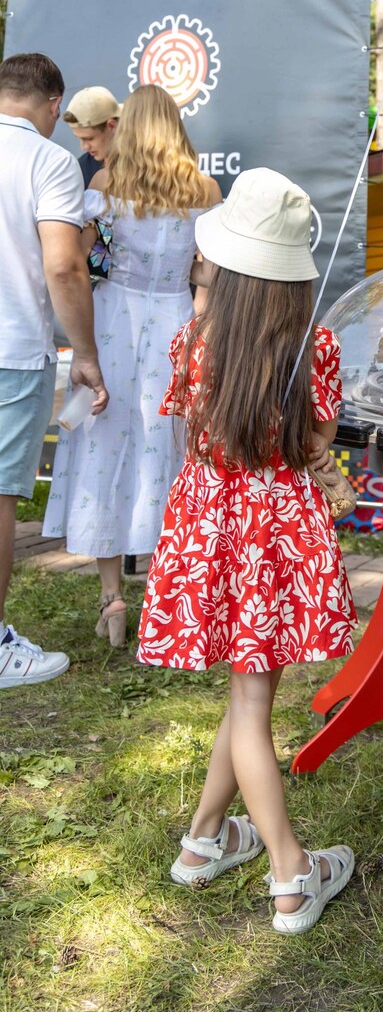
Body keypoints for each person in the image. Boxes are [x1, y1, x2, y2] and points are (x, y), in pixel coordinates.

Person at [136, 167, 357, 935]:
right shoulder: (313, 345)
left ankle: (203, 840)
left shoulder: (190, 341)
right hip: (273, 531)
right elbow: (317, 442)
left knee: (243, 692)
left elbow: (190, 436)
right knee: (255, 704)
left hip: (209, 524)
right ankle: (291, 872)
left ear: (222, 267)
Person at [42, 86, 220, 646]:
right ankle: (174, 596)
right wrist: (200, 331)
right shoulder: (207, 188)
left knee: (106, 443)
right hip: (175, 323)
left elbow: (83, 257)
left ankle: (112, 597)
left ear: (129, 127)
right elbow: (207, 279)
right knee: (171, 449)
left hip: (114, 321)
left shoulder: (104, 184)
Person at [0, 53, 108, 690]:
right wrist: (86, 355)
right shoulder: (48, 159)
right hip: (10, 350)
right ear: (49, 104)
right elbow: (65, 266)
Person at [63, 86, 121, 189]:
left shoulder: (148, 161)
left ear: (111, 126)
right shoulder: (82, 169)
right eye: (79, 138)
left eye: (89, 138)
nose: (84, 147)